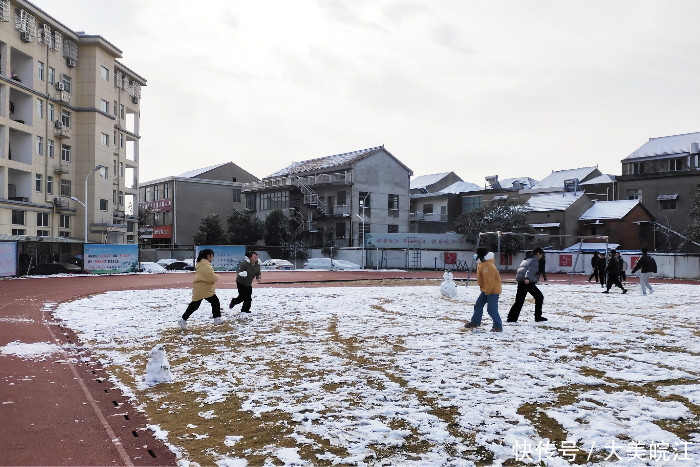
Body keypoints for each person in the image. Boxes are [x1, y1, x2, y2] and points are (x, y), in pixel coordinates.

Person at [178, 249, 222, 330]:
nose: (212, 258)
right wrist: (217, 276)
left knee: (195, 305)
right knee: (214, 301)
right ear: (208, 256)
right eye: (212, 256)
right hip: (204, 289)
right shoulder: (205, 265)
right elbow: (211, 277)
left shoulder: (201, 264)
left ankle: (183, 320)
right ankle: (216, 319)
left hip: (200, 288)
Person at [465, 248, 503, 332]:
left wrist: (487, 292)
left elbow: (489, 281)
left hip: (492, 291)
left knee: (491, 309)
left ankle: (498, 326)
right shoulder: (482, 263)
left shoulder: (487, 265)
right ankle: (475, 322)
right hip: (486, 290)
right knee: (478, 305)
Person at [507, 247, 547, 323]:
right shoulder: (535, 260)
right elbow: (530, 270)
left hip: (521, 281)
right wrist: (527, 278)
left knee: (519, 301)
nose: (542, 256)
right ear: (538, 253)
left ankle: (511, 318)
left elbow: (521, 269)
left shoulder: (527, 259)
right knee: (539, 297)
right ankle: (538, 316)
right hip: (527, 282)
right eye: (541, 254)